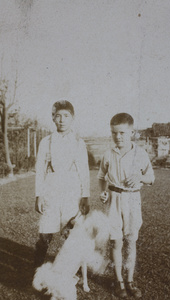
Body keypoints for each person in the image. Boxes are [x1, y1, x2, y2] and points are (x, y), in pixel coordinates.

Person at [98, 113, 155, 299]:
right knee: (116, 241)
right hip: (114, 199)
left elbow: (151, 178)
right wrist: (103, 190)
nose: (118, 137)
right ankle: (118, 281)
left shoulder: (140, 153)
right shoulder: (108, 154)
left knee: (131, 241)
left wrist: (140, 177)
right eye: (114, 133)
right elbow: (101, 177)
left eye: (122, 132)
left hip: (132, 200)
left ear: (132, 132)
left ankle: (130, 280)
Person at [34, 100, 90, 268]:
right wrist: (39, 195)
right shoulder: (46, 142)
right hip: (51, 190)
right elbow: (39, 170)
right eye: (58, 116)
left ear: (72, 118)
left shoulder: (79, 142)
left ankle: (69, 270)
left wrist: (85, 196)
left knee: (72, 234)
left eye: (66, 116)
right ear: (53, 118)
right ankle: (37, 270)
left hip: (72, 192)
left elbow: (84, 171)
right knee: (45, 234)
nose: (62, 120)